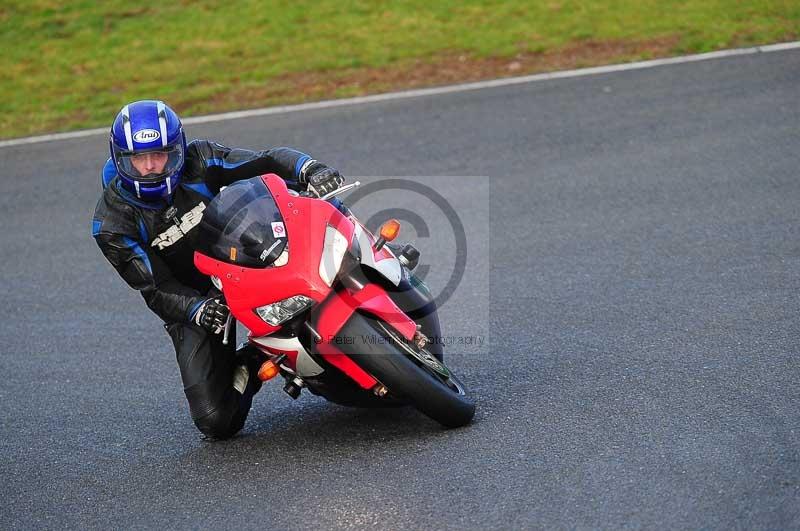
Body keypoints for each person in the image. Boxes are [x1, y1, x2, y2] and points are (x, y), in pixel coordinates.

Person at [91, 99, 345, 440]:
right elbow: (154, 287)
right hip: (197, 299)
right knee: (216, 420)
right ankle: (255, 360)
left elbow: (266, 160)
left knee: (312, 197)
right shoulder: (112, 223)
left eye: (160, 155)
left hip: (246, 258)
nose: (151, 167)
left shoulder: (200, 158)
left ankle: (374, 252)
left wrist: (309, 169)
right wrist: (197, 310)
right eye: (139, 158)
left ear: (177, 150)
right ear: (121, 158)